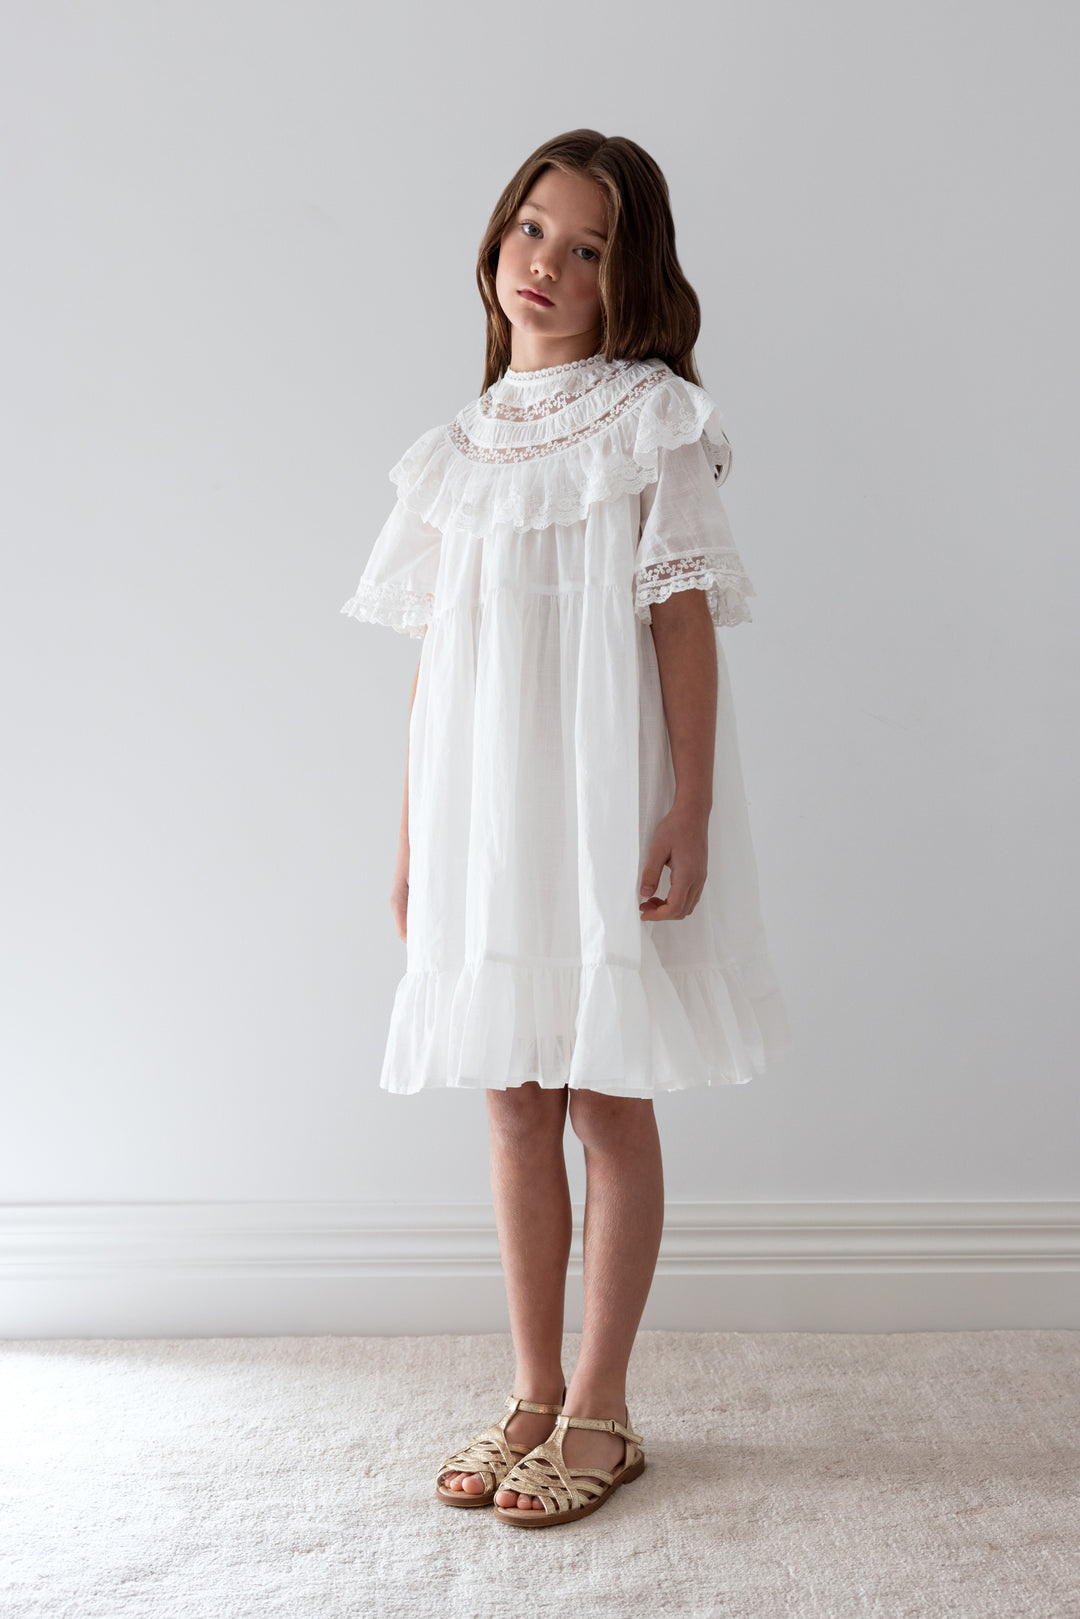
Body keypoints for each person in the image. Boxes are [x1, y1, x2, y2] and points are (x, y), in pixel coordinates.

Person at [340, 129, 791, 1527]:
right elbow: (439, 664)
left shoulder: (649, 416)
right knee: (511, 1095)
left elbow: (680, 621)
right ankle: (531, 1390)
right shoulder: (455, 450)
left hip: (601, 791)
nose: (547, 262)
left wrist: (687, 806)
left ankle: (603, 1405)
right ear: (497, 238)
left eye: (586, 247)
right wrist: (413, 839)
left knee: (603, 1094)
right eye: (533, 228)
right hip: (485, 808)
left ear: (626, 275)